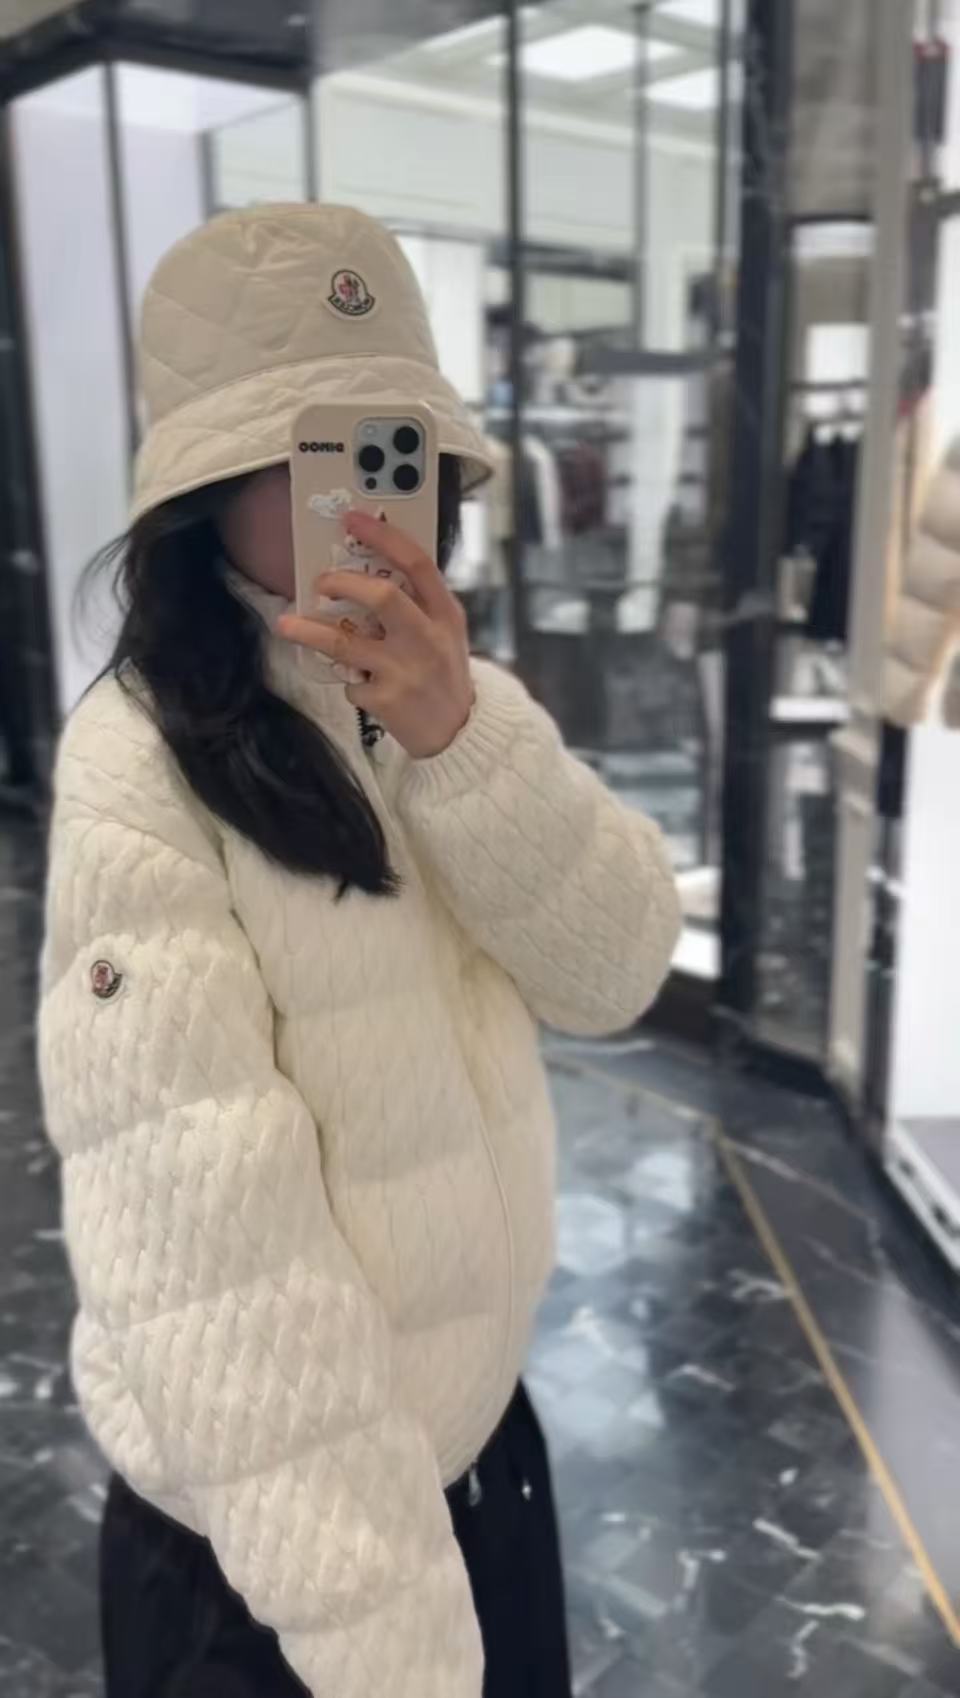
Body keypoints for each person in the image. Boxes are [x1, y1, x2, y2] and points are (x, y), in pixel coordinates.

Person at [37, 204, 681, 1698]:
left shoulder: (450, 701)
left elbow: (616, 972)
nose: (366, 497)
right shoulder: (140, 765)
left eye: (393, 446)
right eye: (306, 452)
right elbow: (221, 1277)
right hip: (281, 1552)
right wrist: (398, 1652)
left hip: (479, 1458)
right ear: (201, 488)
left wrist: (464, 740)